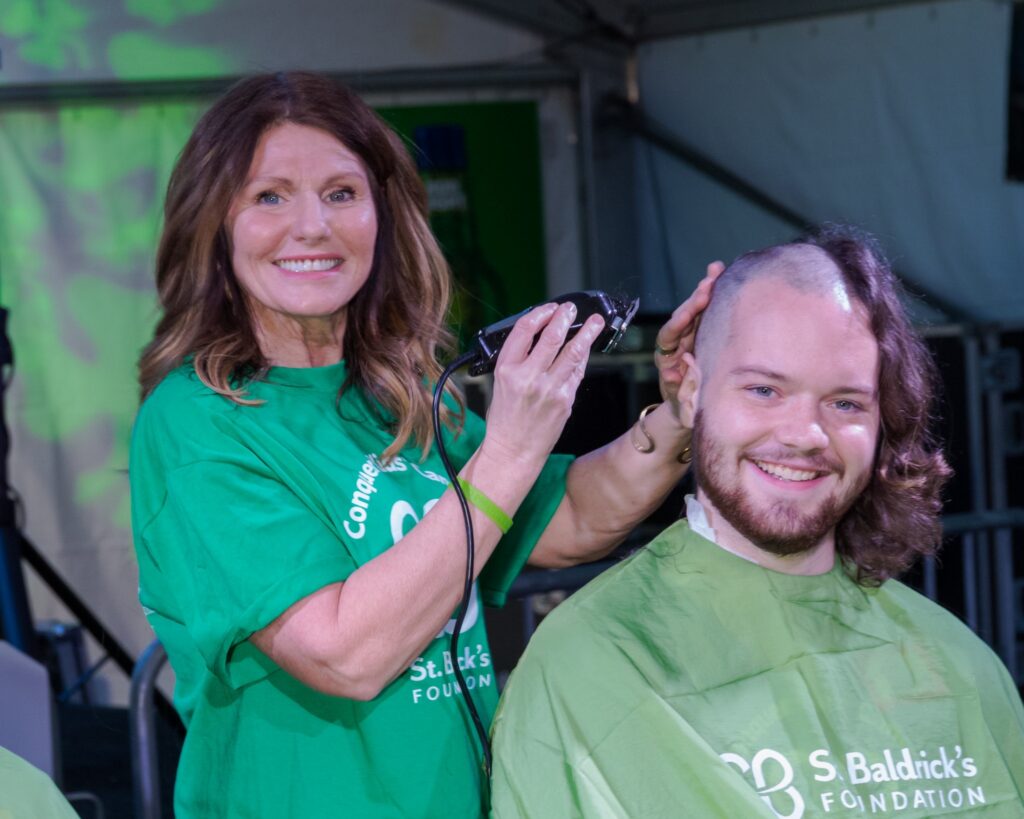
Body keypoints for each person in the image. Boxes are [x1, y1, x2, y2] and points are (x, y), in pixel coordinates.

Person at [128, 71, 717, 818]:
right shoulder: (198, 422)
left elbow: (568, 520)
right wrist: (507, 449)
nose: (312, 226)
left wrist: (680, 413)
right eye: (269, 195)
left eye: (342, 193)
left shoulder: (395, 393)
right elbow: (345, 653)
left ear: (383, 214)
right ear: (214, 223)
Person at [490, 228, 1024, 818]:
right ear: (692, 391)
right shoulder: (589, 665)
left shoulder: (960, 665)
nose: (804, 434)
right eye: (765, 389)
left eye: (845, 402)